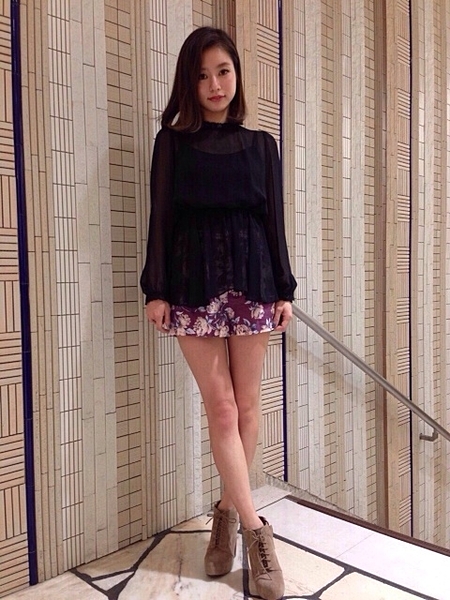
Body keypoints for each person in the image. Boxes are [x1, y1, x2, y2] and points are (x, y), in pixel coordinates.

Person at [140, 26, 296, 600]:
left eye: (223, 71)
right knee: (223, 407)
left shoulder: (261, 146)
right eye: (202, 74)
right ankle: (257, 532)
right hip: (192, 283)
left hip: (254, 279)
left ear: (236, 74)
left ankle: (226, 515)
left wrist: (284, 288)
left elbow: (273, 221)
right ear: (189, 82)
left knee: (249, 407)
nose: (214, 84)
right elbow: (161, 217)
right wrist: (155, 289)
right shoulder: (172, 144)